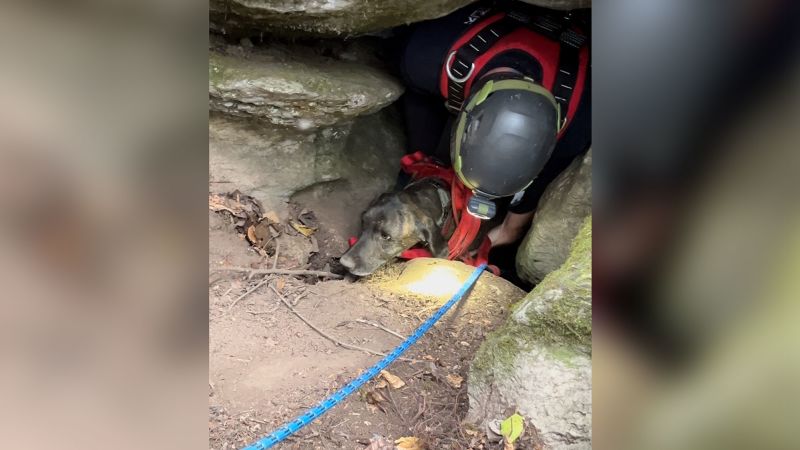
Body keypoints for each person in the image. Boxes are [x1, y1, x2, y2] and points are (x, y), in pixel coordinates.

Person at [398, 0, 591, 248]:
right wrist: (426, 160)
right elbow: (417, 96)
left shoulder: (578, 126)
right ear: (463, 114)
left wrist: (490, 240)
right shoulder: (425, 55)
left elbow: (519, 218)